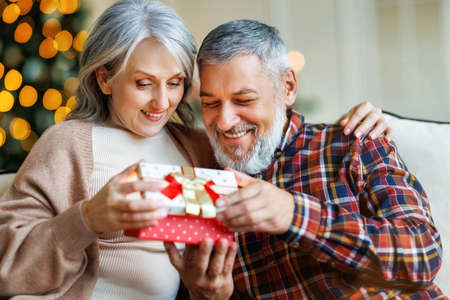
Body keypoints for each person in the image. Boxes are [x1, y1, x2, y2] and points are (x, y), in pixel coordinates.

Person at [0, 0, 392, 299]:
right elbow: (6, 267)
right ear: (105, 78)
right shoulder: (67, 144)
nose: (161, 102)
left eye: (175, 83)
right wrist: (85, 218)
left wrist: (360, 122)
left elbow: (274, 146)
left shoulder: (201, 147)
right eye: (143, 83)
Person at [165, 19, 445, 299]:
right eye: (211, 103)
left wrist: (293, 214)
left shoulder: (352, 142)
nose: (224, 122)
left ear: (287, 87)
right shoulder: (206, 186)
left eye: (244, 100)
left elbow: (423, 256)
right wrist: (210, 296)